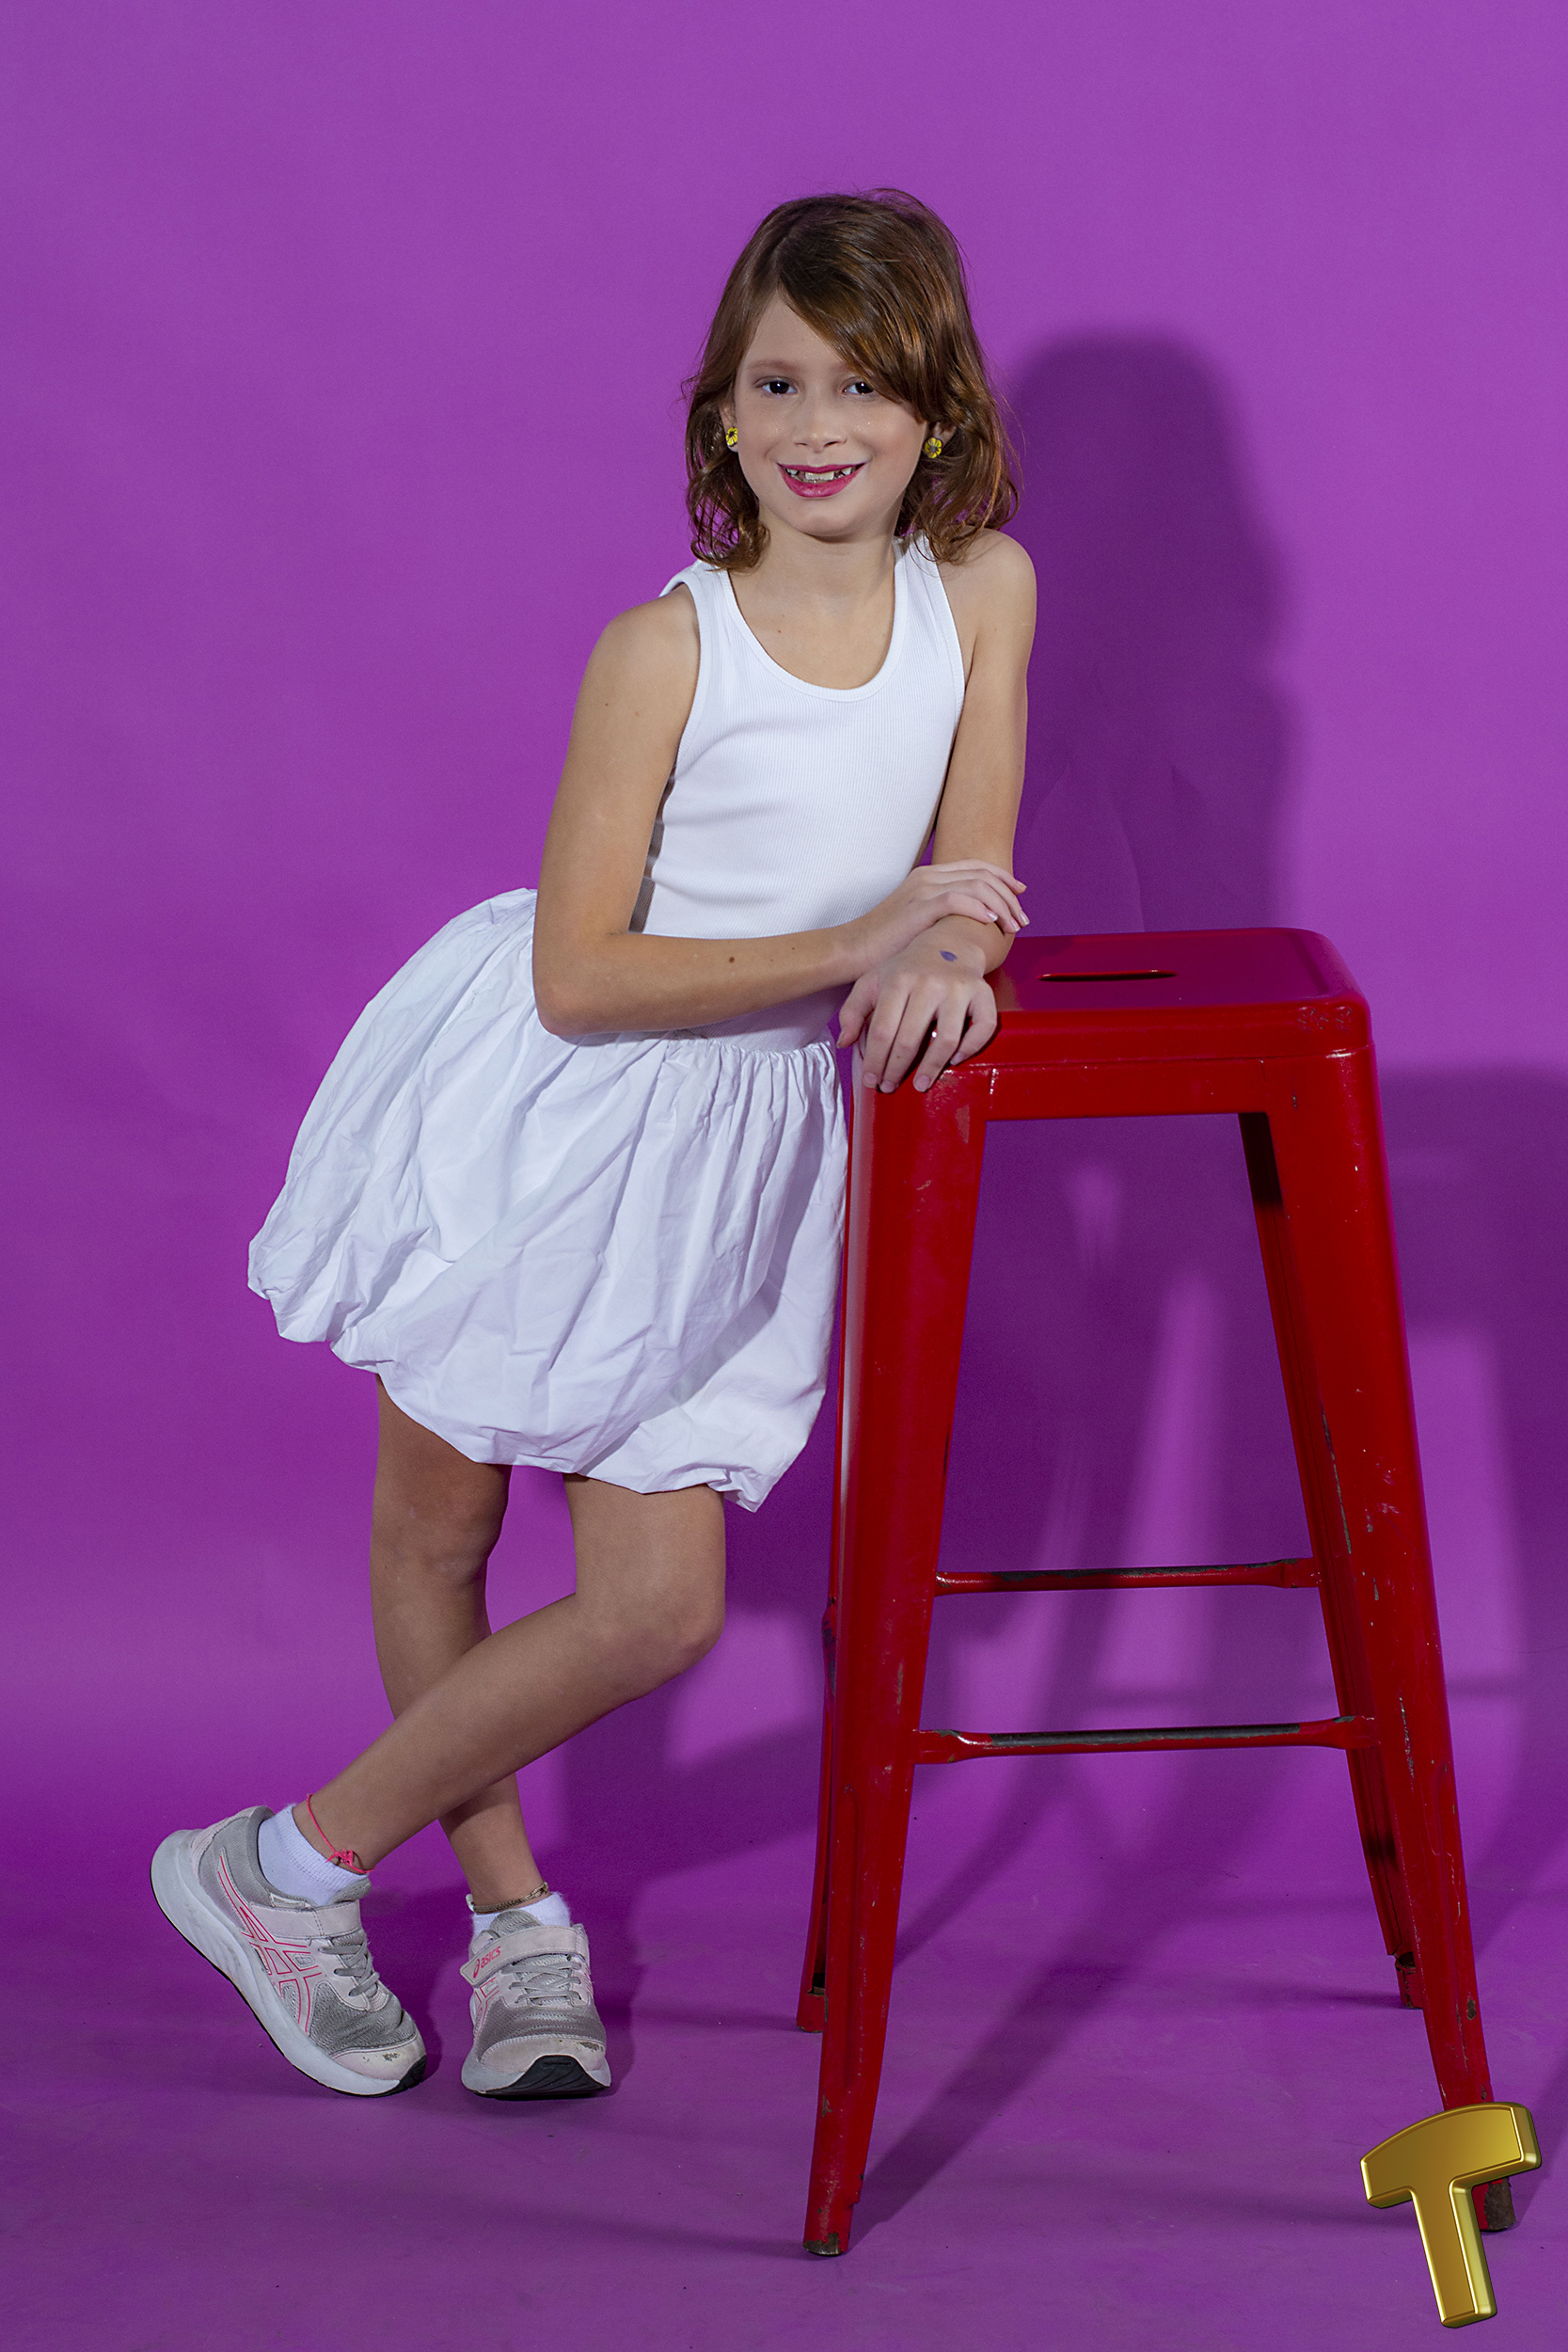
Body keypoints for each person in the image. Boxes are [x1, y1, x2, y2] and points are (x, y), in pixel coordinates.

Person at [152, 189, 1036, 2103]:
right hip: (557, 1111)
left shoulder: (982, 595)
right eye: (776, 383)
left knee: (658, 1606)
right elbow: (577, 977)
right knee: (444, 1528)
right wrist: (868, 940)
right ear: (720, 413)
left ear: (938, 414)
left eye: (864, 385)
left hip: (742, 1148)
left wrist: (949, 947)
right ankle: (506, 1919)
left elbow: (971, 867)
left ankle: (277, 1866)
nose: (818, 424)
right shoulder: (663, 649)